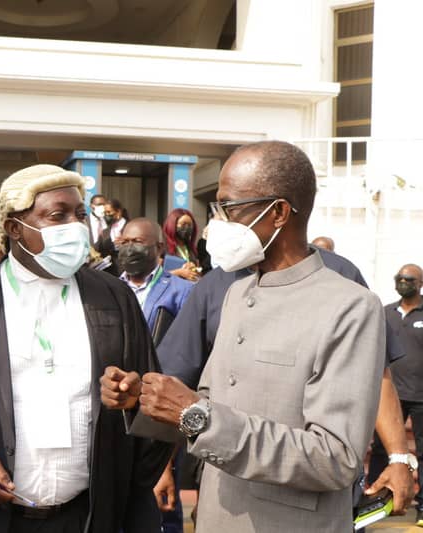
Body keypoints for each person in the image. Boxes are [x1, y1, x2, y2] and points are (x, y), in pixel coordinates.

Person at [102, 141, 386, 532]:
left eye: (229, 208)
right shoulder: (237, 292)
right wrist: (146, 400)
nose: (216, 223)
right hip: (216, 516)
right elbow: (209, 404)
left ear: (279, 213)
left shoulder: (350, 306)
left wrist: (197, 416)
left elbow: (335, 457)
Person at [0, 164, 172, 533]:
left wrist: (132, 398)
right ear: (15, 228)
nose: (75, 226)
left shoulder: (112, 296)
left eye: (79, 214)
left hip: (87, 516)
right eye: (57, 216)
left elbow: (151, 398)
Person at [117, 217, 193, 533]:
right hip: (116, 405)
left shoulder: (183, 292)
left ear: (159, 248)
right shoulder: (109, 287)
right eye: (124, 242)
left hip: (160, 407)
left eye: (137, 242)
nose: (129, 248)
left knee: (161, 503)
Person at [370, 264, 423, 525]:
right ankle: (373, 498)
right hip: (392, 395)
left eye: (409, 279)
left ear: (420, 283)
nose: (403, 282)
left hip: (421, 395)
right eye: (399, 278)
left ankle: (422, 506)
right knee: (381, 449)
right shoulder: (385, 312)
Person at [163, 208, 201, 282]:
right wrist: (179, 272)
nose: (187, 228)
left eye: (190, 225)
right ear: (173, 225)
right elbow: (155, 275)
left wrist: (196, 270)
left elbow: (198, 272)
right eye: (183, 224)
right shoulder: (163, 247)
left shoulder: (191, 248)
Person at [94, 198, 128, 276]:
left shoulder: (130, 227)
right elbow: (98, 249)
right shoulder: (105, 231)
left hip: (126, 271)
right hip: (109, 273)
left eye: (109, 212)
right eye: (105, 213)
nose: (107, 215)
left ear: (118, 212)